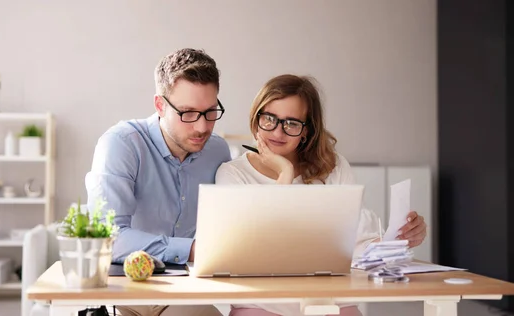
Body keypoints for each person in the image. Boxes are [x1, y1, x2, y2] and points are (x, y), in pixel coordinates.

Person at [215, 74, 428, 316]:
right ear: (256, 118)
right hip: (261, 304)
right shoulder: (233, 174)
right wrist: (285, 173)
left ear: (307, 131)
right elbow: (257, 250)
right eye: (269, 119)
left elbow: (358, 243)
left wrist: (398, 240)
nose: (278, 132)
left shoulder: (333, 167)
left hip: (330, 303)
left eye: (292, 123)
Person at [85, 48, 230, 316]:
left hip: (186, 291)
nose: (201, 127)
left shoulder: (218, 152)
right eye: (188, 113)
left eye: (210, 112)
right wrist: (192, 250)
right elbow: (107, 238)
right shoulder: (121, 144)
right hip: (123, 289)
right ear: (160, 105)